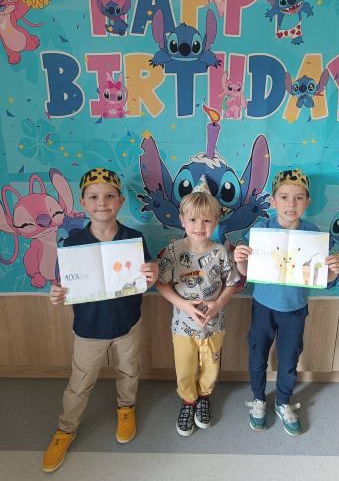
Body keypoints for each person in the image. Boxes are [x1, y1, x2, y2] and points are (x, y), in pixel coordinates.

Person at [42, 168, 158, 473]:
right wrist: (57, 294)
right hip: (89, 330)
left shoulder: (134, 239)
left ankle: (126, 407)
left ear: (120, 201)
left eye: (109, 196)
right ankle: (66, 428)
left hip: (127, 324)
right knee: (79, 383)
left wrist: (152, 275)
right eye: (93, 197)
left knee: (128, 370)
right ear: (83, 203)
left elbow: (144, 279)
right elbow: (63, 286)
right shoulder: (72, 243)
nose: (102, 202)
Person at [234, 169, 339, 436]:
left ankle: (283, 400)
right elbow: (247, 272)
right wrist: (240, 260)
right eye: (283, 197)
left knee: (289, 358)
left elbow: (321, 278)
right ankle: (258, 398)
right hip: (263, 306)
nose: (290, 204)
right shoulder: (261, 230)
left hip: (294, 309)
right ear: (273, 201)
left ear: (307, 202)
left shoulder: (312, 234)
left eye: (298, 198)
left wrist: (332, 272)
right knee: (257, 354)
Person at [156, 177, 240, 436]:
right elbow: (162, 284)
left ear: (216, 221)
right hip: (183, 326)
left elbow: (232, 283)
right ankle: (188, 401)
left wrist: (218, 304)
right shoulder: (173, 250)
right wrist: (184, 305)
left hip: (214, 325)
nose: (199, 226)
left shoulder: (220, 252)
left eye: (206, 220)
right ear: (182, 220)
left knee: (211, 366)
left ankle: (204, 396)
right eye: (192, 220)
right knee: (184, 366)